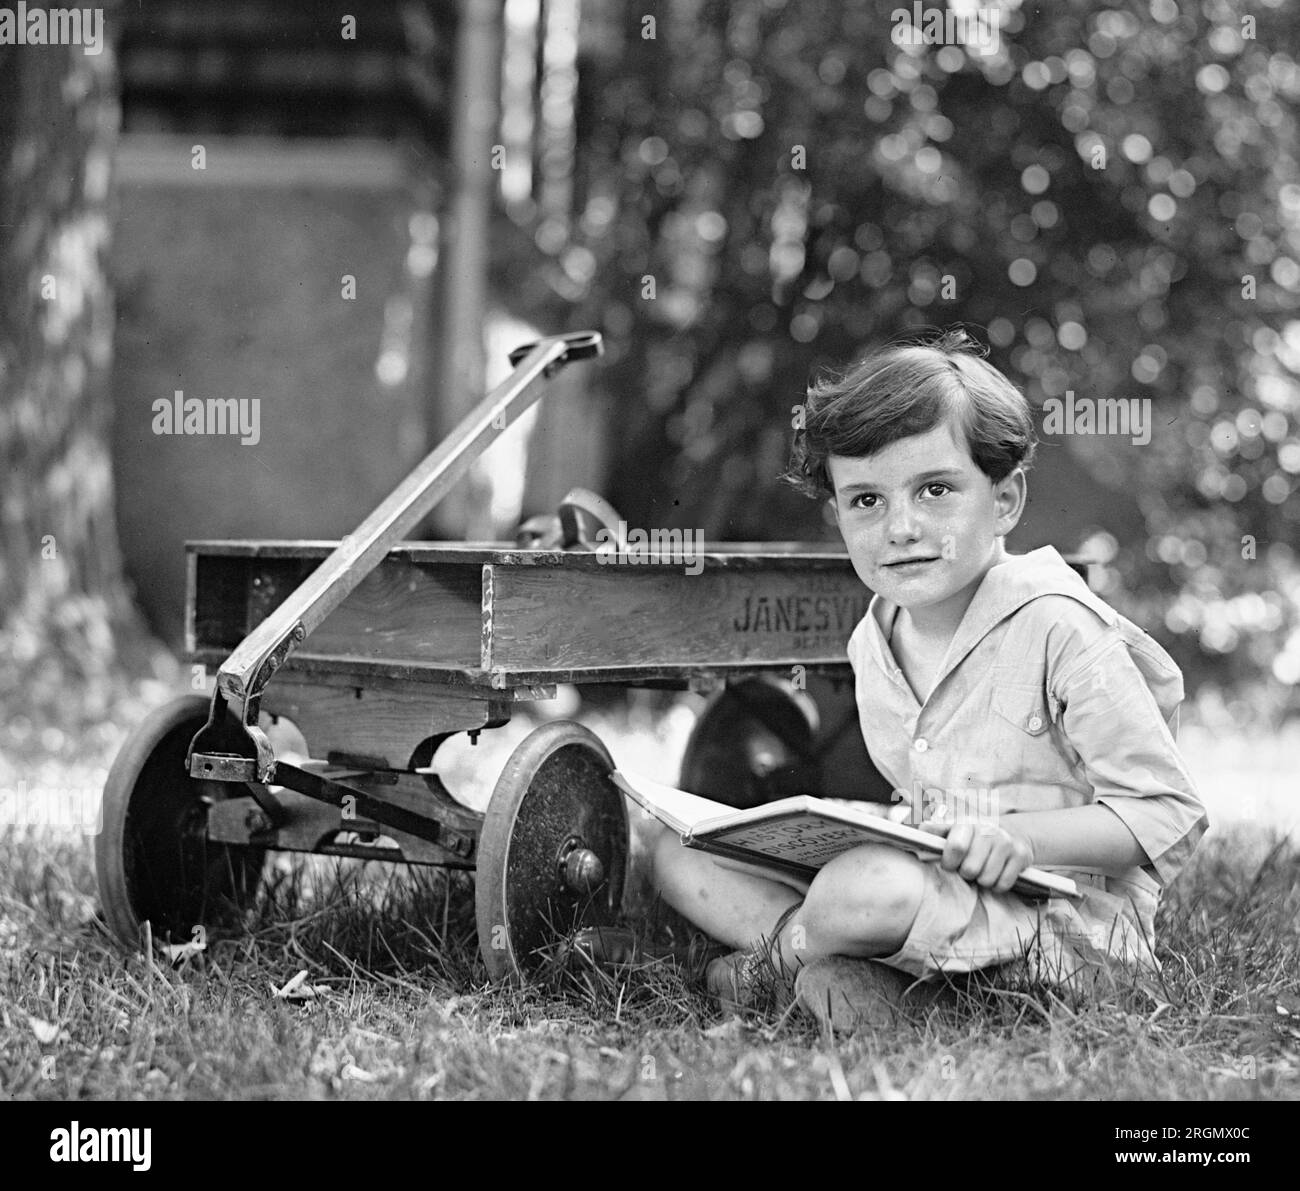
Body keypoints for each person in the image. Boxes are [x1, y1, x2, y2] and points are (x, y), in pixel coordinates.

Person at [649, 327, 1209, 1029]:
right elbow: (928, 798)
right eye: (866, 501)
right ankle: (871, 985)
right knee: (675, 852)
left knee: (867, 888)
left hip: (1061, 928)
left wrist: (1022, 839)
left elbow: (1168, 812)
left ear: (1004, 501)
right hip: (936, 894)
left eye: (935, 489)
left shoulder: (1059, 626)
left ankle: (773, 969)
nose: (901, 527)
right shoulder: (874, 641)